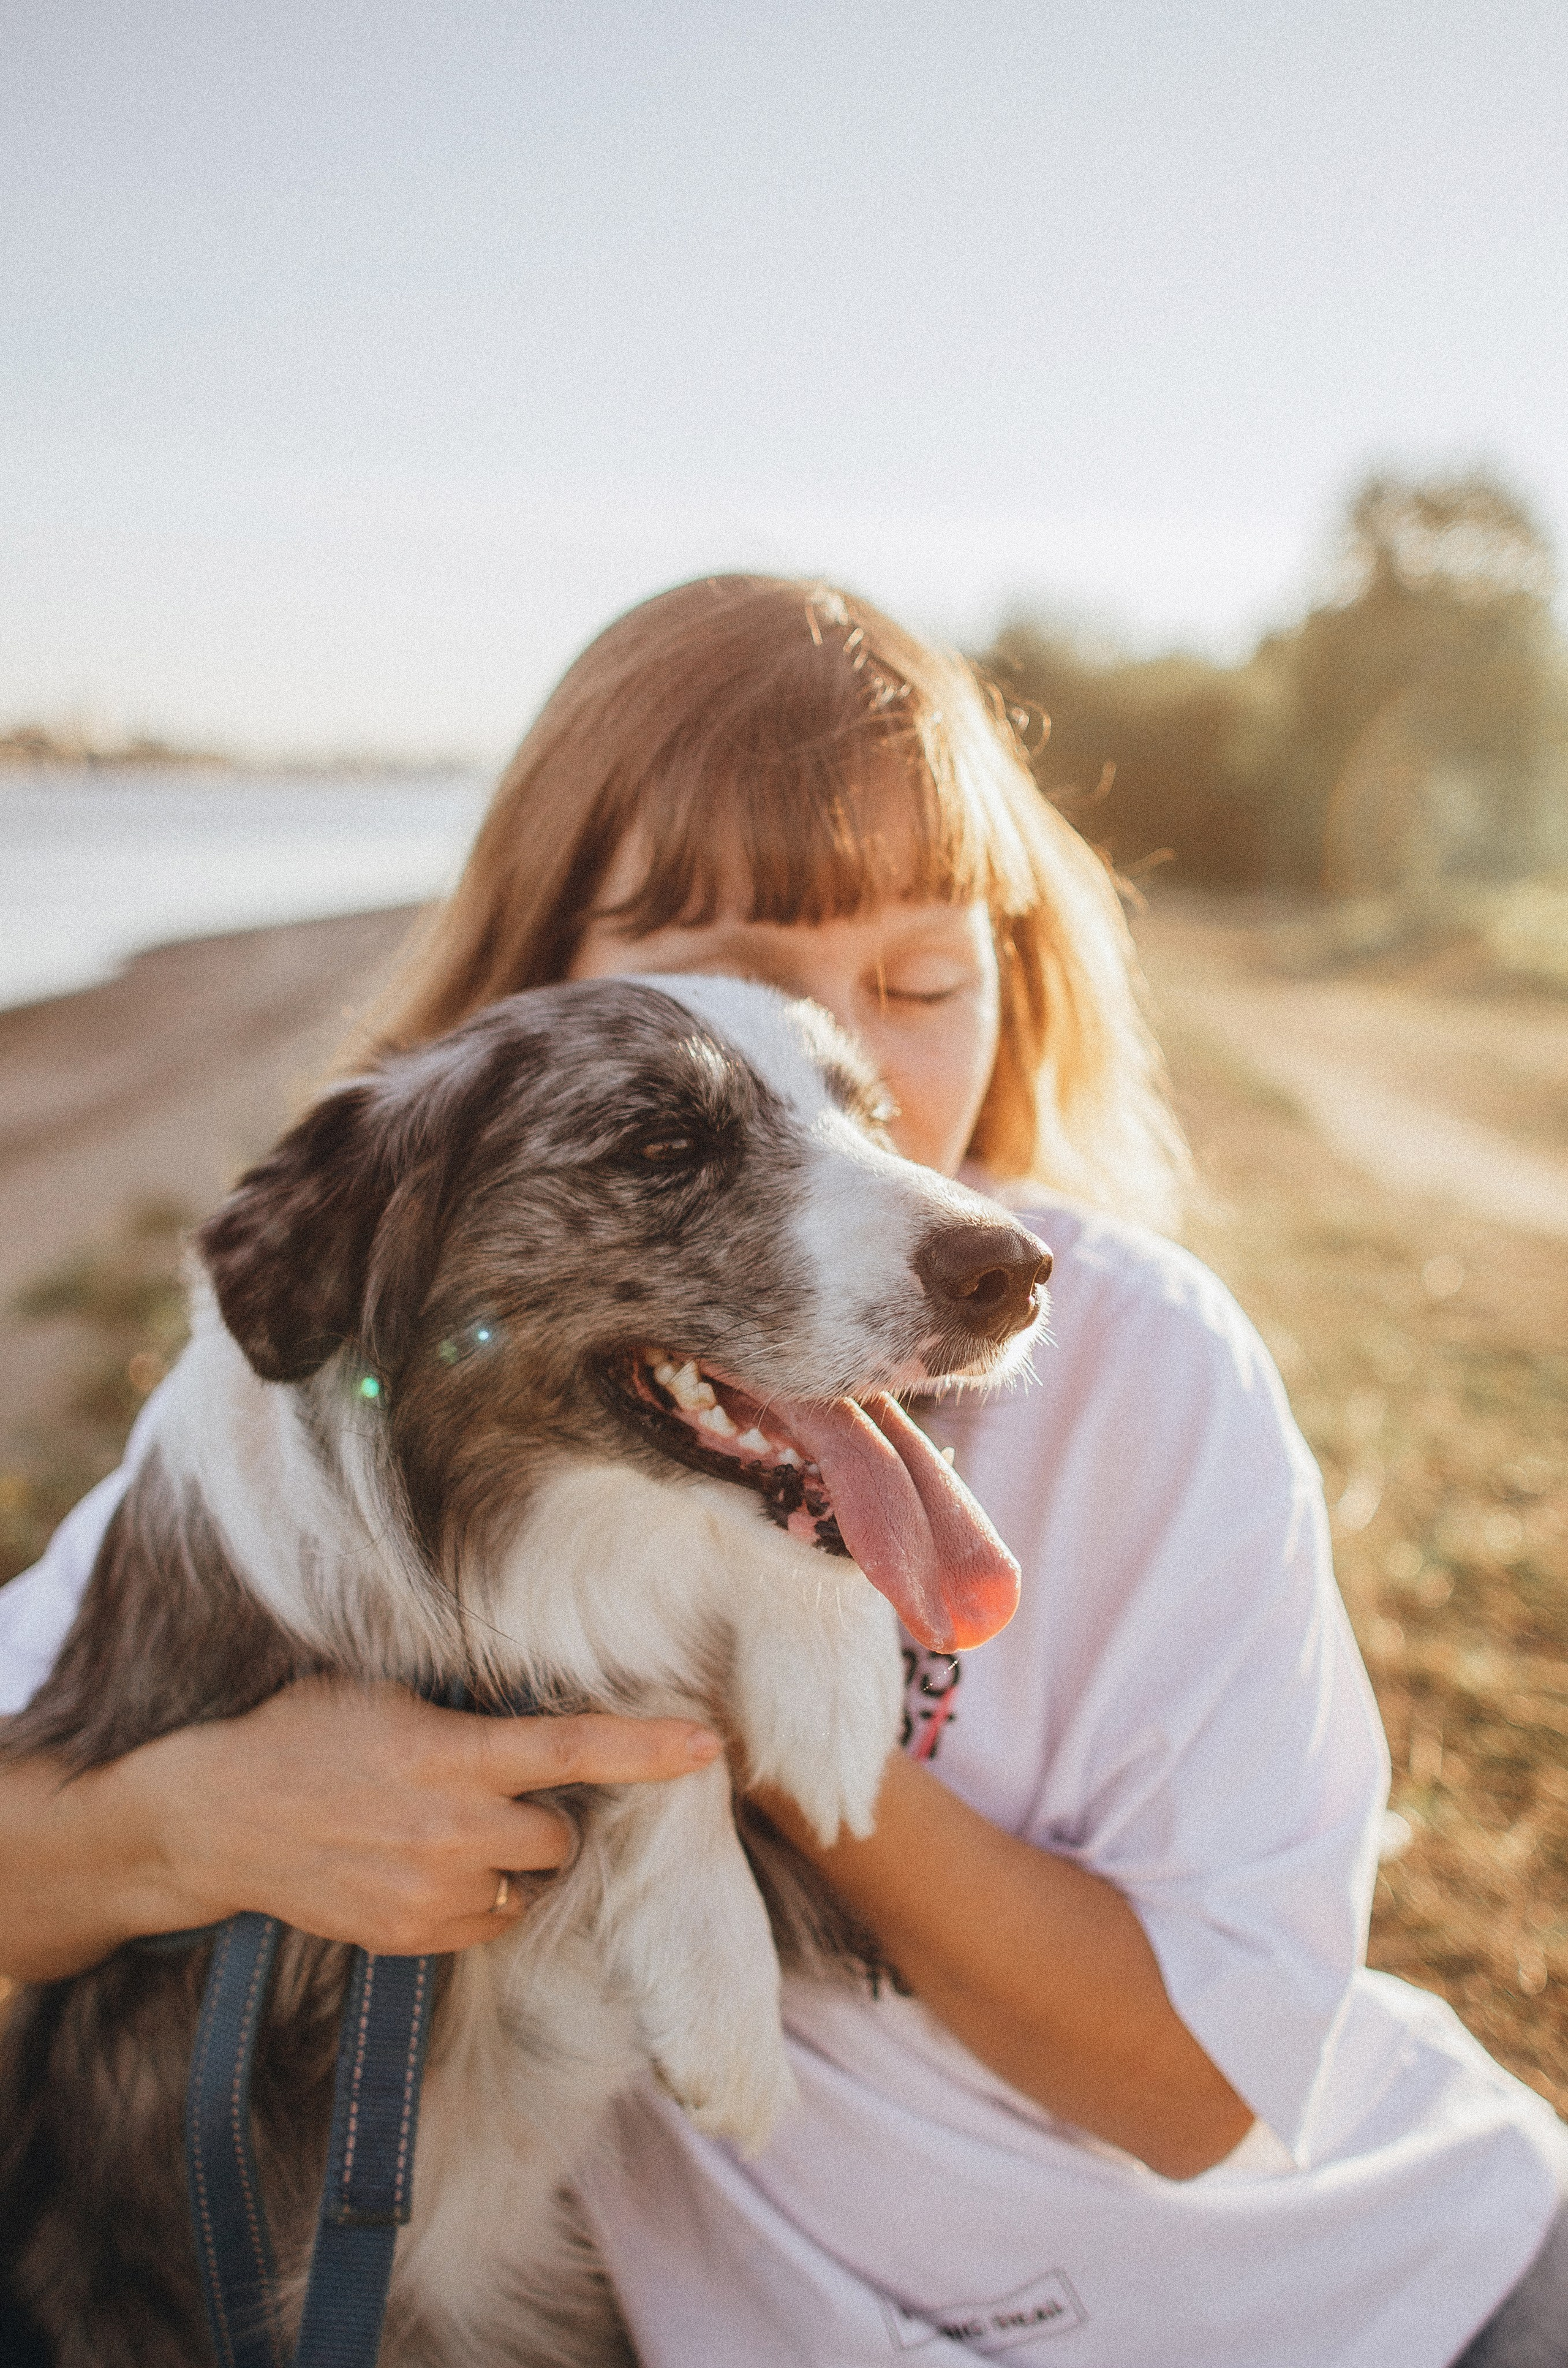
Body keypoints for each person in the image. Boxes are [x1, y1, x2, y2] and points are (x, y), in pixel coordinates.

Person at [1, 576, 1564, 2367]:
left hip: (1363, 2304)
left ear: (1012, 984)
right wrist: (188, 1820)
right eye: (712, 1004)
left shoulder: (1142, 1372)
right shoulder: (308, 1434)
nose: (847, 1079)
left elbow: (1202, 2093)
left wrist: (749, 1720)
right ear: (535, 993)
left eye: (918, 985)